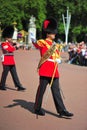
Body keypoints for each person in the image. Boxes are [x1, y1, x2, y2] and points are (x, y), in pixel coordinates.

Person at [31, 17, 74, 117]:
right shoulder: (43, 42)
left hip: (54, 70)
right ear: (48, 33)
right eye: (53, 32)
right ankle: (37, 108)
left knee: (56, 91)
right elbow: (36, 45)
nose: (55, 34)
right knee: (41, 90)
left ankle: (62, 110)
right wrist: (33, 40)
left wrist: (59, 60)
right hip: (45, 69)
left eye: (54, 32)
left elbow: (57, 56)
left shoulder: (56, 45)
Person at [0, 25, 26, 91]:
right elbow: (10, 49)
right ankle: (2, 85)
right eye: (9, 37)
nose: (10, 38)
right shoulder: (4, 44)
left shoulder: (10, 43)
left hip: (11, 60)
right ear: (6, 37)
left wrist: (16, 45)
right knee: (5, 74)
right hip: (6, 60)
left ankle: (18, 86)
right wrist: (16, 46)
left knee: (14, 74)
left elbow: (13, 48)